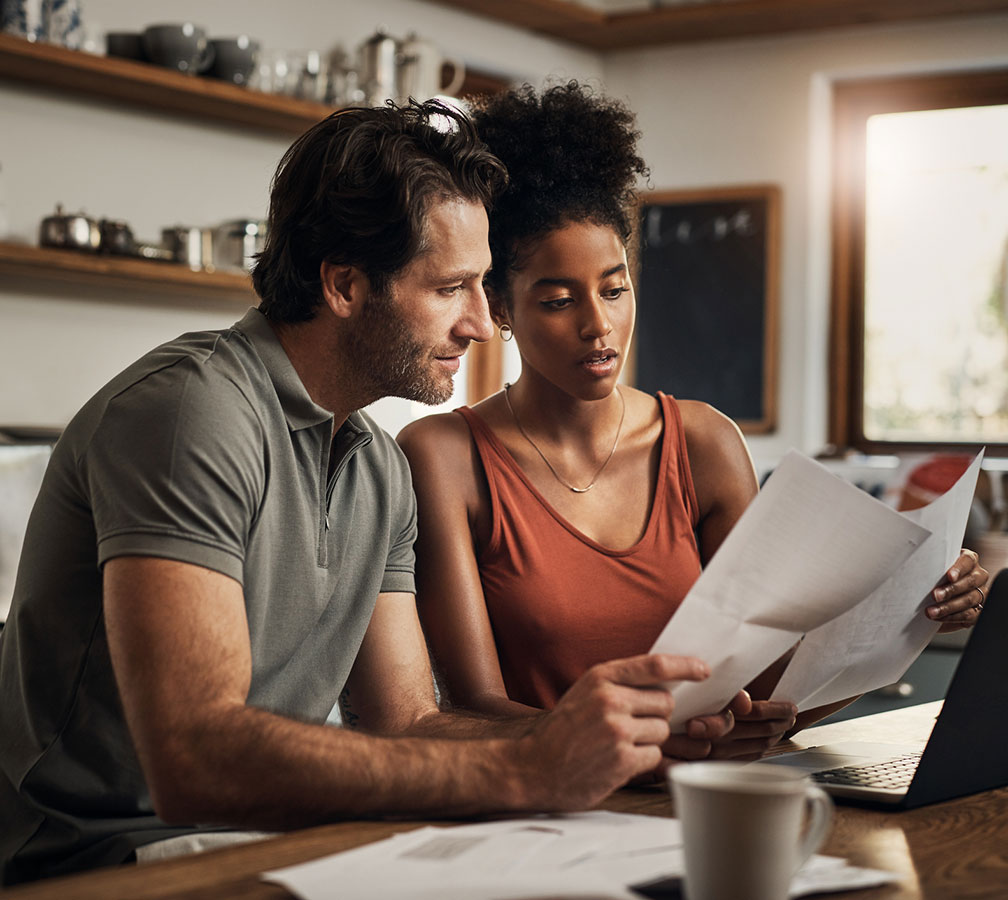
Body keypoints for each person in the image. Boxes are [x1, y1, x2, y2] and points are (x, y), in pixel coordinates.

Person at [0, 100, 738, 886]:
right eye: (451, 288)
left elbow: (407, 722)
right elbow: (195, 758)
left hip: (257, 842)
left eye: (482, 287)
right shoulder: (192, 413)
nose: (480, 324)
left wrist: (604, 740)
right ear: (345, 284)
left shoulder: (377, 468)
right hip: (91, 859)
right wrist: (526, 770)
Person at [397, 82, 989, 762]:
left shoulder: (703, 443)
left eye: (615, 289)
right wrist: (647, 746)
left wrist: (913, 613)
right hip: (546, 804)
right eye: (559, 301)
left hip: (704, 796)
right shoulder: (444, 456)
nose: (599, 325)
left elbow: (772, 688)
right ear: (499, 307)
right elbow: (472, 707)